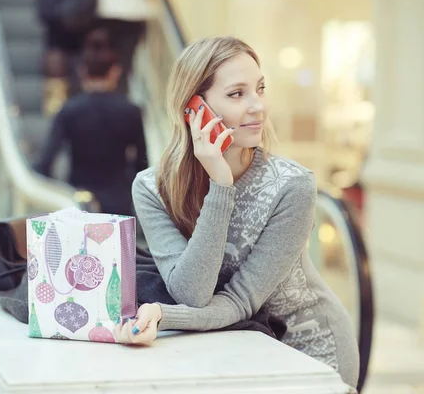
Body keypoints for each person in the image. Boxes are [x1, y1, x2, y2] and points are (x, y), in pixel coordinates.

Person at [114, 36, 359, 388]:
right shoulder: (153, 188)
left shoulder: (292, 186)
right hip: (229, 347)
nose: (257, 106)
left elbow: (240, 300)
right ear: (194, 109)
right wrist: (220, 185)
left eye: (260, 89)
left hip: (308, 347)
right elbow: (192, 293)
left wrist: (162, 315)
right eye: (237, 94)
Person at [35, 28, 148, 216]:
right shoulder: (130, 111)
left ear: (82, 71)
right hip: (119, 203)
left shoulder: (69, 110)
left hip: (79, 200)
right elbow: (141, 163)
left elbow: (46, 161)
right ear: (115, 72)